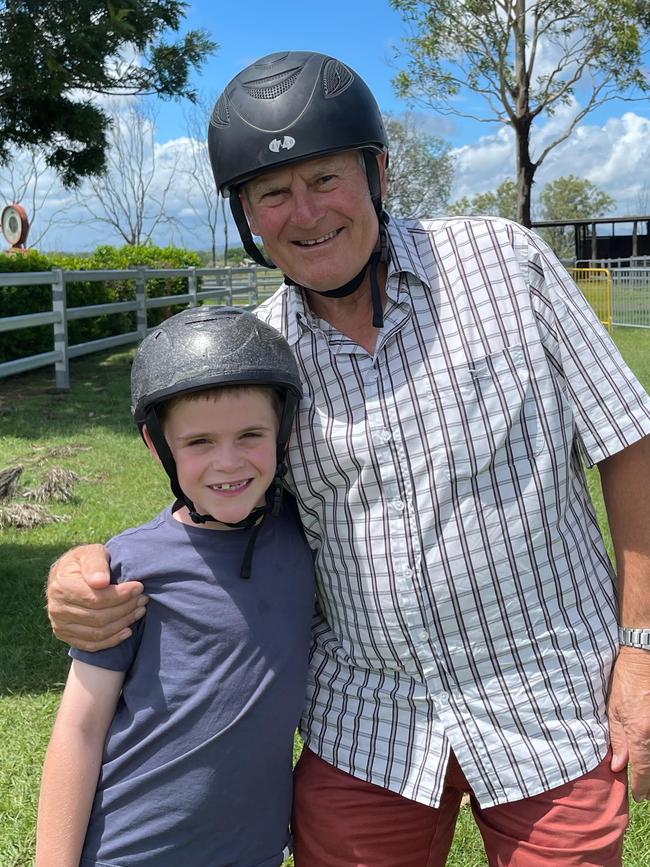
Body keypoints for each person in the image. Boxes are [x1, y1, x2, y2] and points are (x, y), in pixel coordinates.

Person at [47, 51, 650, 867]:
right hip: (371, 722)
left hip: (549, 696)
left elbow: (629, 442)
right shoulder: (262, 357)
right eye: (271, 192)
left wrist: (639, 646)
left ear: (378, 173)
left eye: (326, 178)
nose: (305, 212)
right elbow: (219, 501)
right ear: (245, 216)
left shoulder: (505, 266)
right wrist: (86, 570)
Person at [37, 306, 315, 867]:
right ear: (155, 444)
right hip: (131, 851)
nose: (228, 462)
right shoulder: (130, 568)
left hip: (252, 852)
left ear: (283, 430)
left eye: (251, 435)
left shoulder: (306, 535)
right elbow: (80, 728)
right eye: (199, 443)